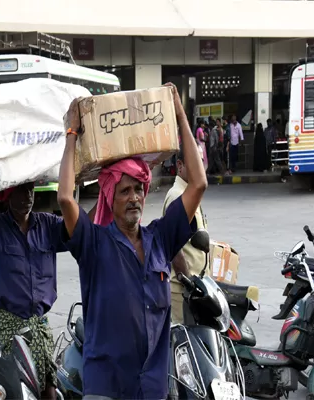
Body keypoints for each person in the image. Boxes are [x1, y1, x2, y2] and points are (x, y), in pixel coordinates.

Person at [56, 82, 207, 400]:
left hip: (151, 388)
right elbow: (66, 199)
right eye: (125, 191)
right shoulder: (93, 244)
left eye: (139, 189)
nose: (135, 197)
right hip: (106, 389)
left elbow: (198, 183)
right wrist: (71, 133)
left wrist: (179, 114)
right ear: (110, 197)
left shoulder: (160, 239)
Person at [0, 128, 95, 399]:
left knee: (49, 393)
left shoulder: (47, 225)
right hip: (9, 328)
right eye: (20, 192)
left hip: (40, 327)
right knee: (13, 393)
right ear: (7, 196)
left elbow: (79, 226)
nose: (28, 197)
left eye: (30, 190)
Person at [163, 148, 209, 324]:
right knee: (186, 343)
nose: (200, 167)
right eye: (194, 162)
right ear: (180, 165)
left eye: (201, 162)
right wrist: (189, 282)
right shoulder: (177, 196)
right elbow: (174, 248)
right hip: (184, 289)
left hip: (196, 285)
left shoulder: (190, 194)